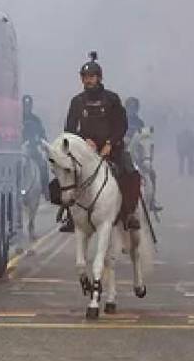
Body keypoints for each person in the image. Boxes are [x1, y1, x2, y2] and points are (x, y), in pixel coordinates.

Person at [64, 52, 141, 230]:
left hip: (111, 149)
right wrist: (84, 142)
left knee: (131, 173)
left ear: (99, 78)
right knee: (65, 174)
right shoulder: (77, 102)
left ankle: (130, 213)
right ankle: (70, 215)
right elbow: (69, 129)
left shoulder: (112, 99)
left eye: (92, 77)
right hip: (85, 152)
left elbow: (121, 125)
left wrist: (110, 143)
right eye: (85, 77)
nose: (88, 80)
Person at [22, 94, 50, 198]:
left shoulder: (36, 120)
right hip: (20, 149)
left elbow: (42, 133)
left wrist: (42, 142)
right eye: (25, 105)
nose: (27, 107)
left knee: (42, 165)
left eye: (28, 105)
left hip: (33, 148)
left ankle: (45, 189)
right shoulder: (17, 118)